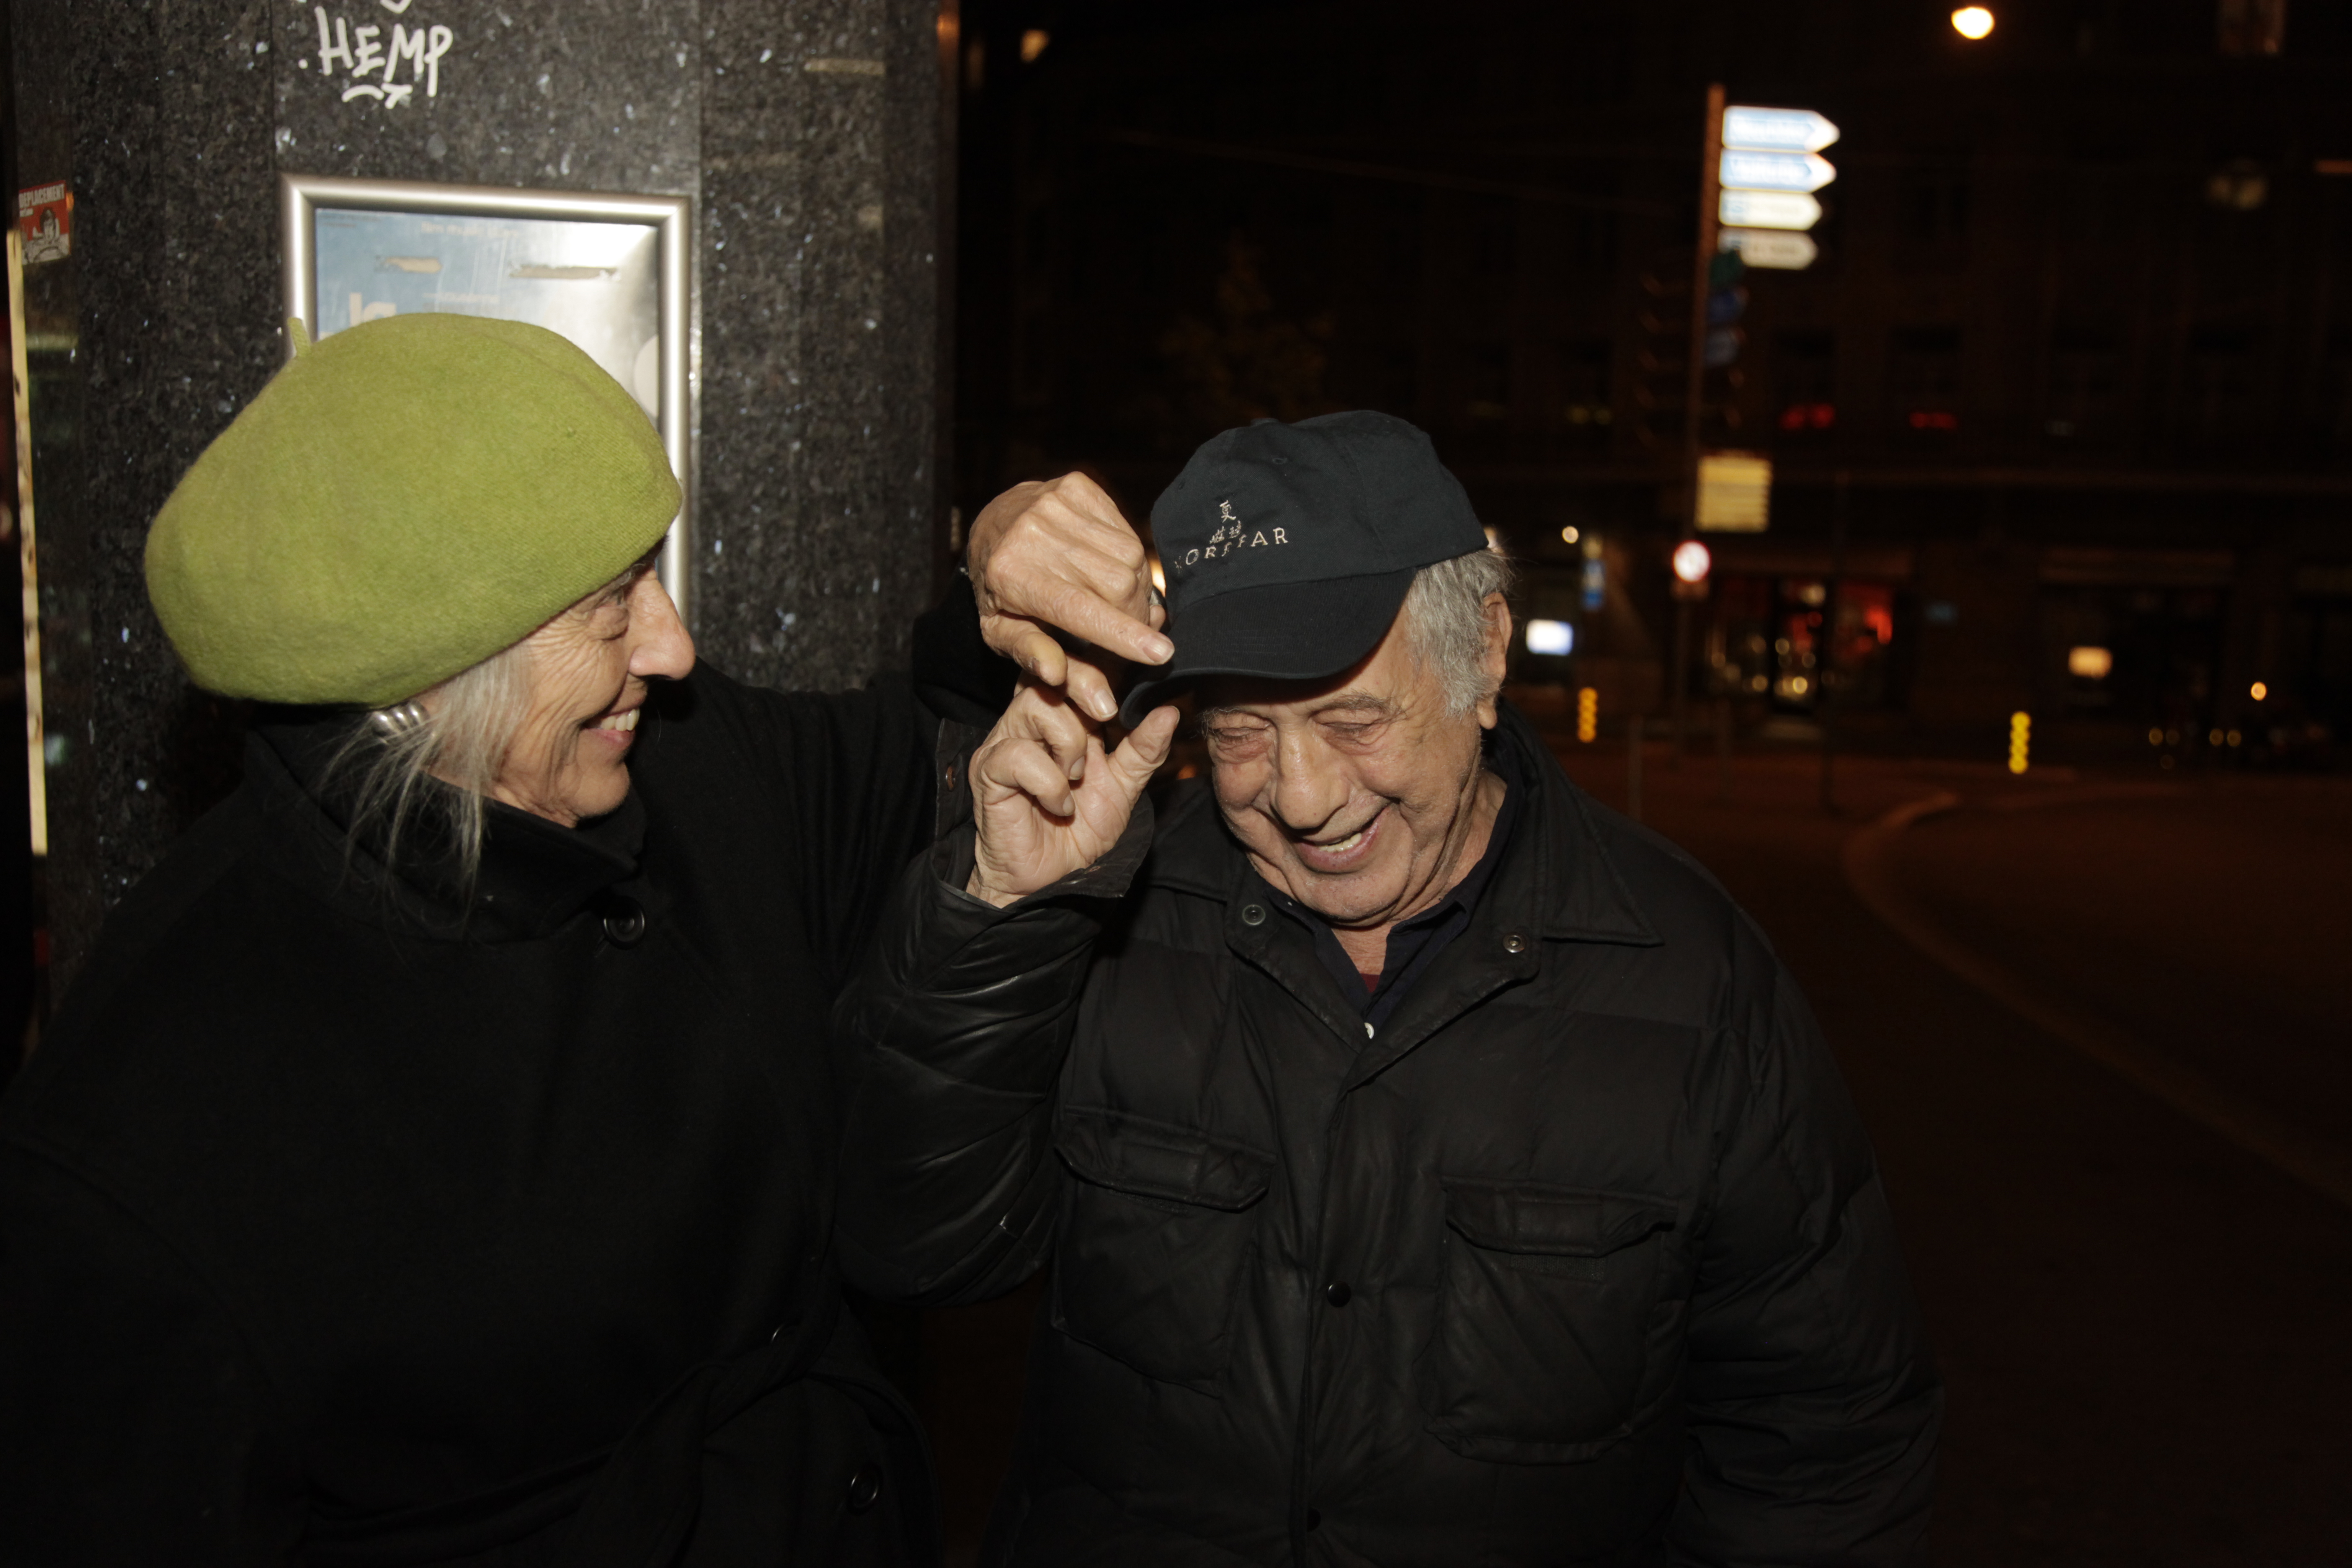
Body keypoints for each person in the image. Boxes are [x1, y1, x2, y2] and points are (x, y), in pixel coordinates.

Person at [0, 312, 1166, 1563]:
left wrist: (1002, 555)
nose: (673, 649)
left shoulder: (693, 767)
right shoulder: (138, 1134)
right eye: (613, 606)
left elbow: (929, 751)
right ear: (425, 672)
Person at [835, 412, 1942, 1565]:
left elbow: (1826, 1443)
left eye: (1354, 720)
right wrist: (1000, 915)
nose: (1304, 797)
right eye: (1241, 733)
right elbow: (910, 1246)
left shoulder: (1692, 978)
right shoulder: (1111, 908)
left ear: (1486, 656)